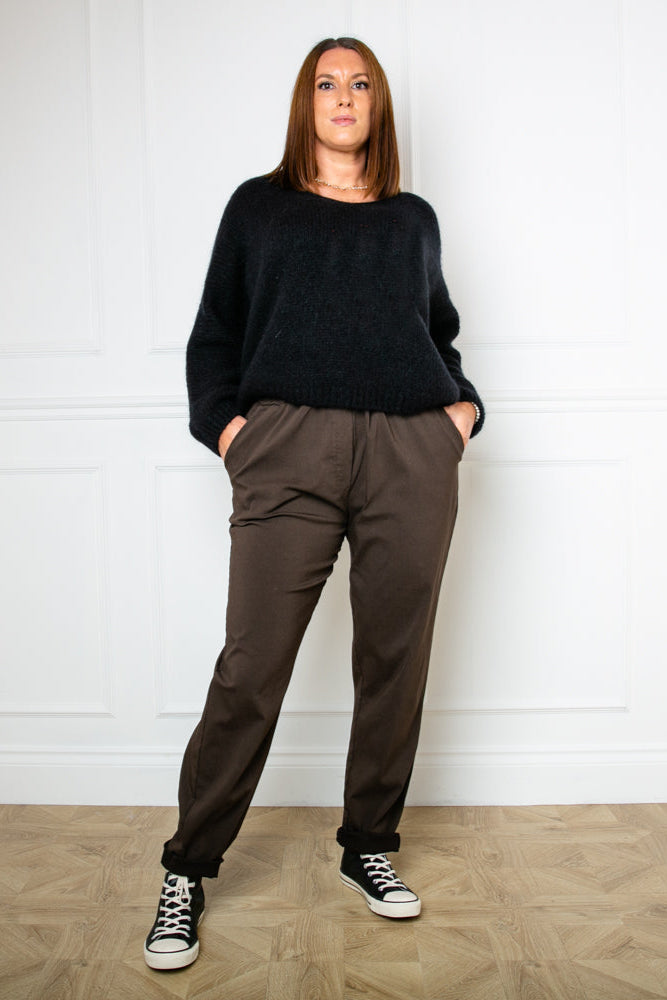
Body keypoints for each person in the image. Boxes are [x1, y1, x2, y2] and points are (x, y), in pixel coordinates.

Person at [144, 35, 484, 971]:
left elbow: (437, 333)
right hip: (287, 447)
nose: (343, 97)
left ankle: (367, 844)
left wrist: (459, 412)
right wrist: (228, 432)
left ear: (377, 105)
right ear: (306, 103)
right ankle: (187, 867)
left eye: (360, 84)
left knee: (394, 659)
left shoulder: (412, 219)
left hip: (409, 449)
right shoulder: (259, 207)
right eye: (326, 83)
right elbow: (214, 335)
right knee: (252, 666)